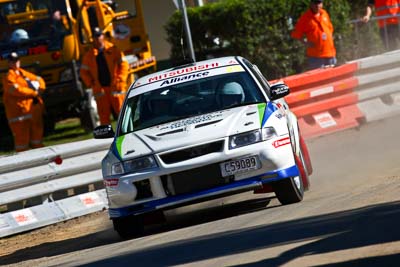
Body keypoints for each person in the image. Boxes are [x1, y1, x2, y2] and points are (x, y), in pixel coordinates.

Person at [80, 27, 129, 125]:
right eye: (95, 36)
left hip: (115, 86)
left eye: (99, 35)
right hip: (100, 89)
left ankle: (127, 133)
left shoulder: (113, 49)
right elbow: (83, 72)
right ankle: (107, 137)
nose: (97, 38)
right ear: (92, 39)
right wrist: (91, 83)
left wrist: (120, 78)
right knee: (103, 115)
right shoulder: (89, 55)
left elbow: (124, 65)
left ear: (103, 36)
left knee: (122, 112)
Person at [2, 52, 46, 152]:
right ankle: (23, 163)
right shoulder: (8, 77)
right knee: (22, 141)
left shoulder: (23, 73)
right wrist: (34, 93)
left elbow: (38, 79)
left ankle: (41, 156)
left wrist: (41, 88)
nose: (15, 63)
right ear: (9, 63)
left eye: (16, 61)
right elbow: (17, 90)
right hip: (19, 115)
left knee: (37, 137)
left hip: (31, 111)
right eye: (12, 61)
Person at [291, 0, 337, 70]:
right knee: (321, 79)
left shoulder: (324, 13)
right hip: (316, 57)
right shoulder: (305, 18)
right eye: (315, 3)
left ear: (322, 4)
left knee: (333, 78)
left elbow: (330, 29)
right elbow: (296, 34)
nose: (317, 5)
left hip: (330, 54)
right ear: (311, 4)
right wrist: (305, 43)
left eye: (319, 3)